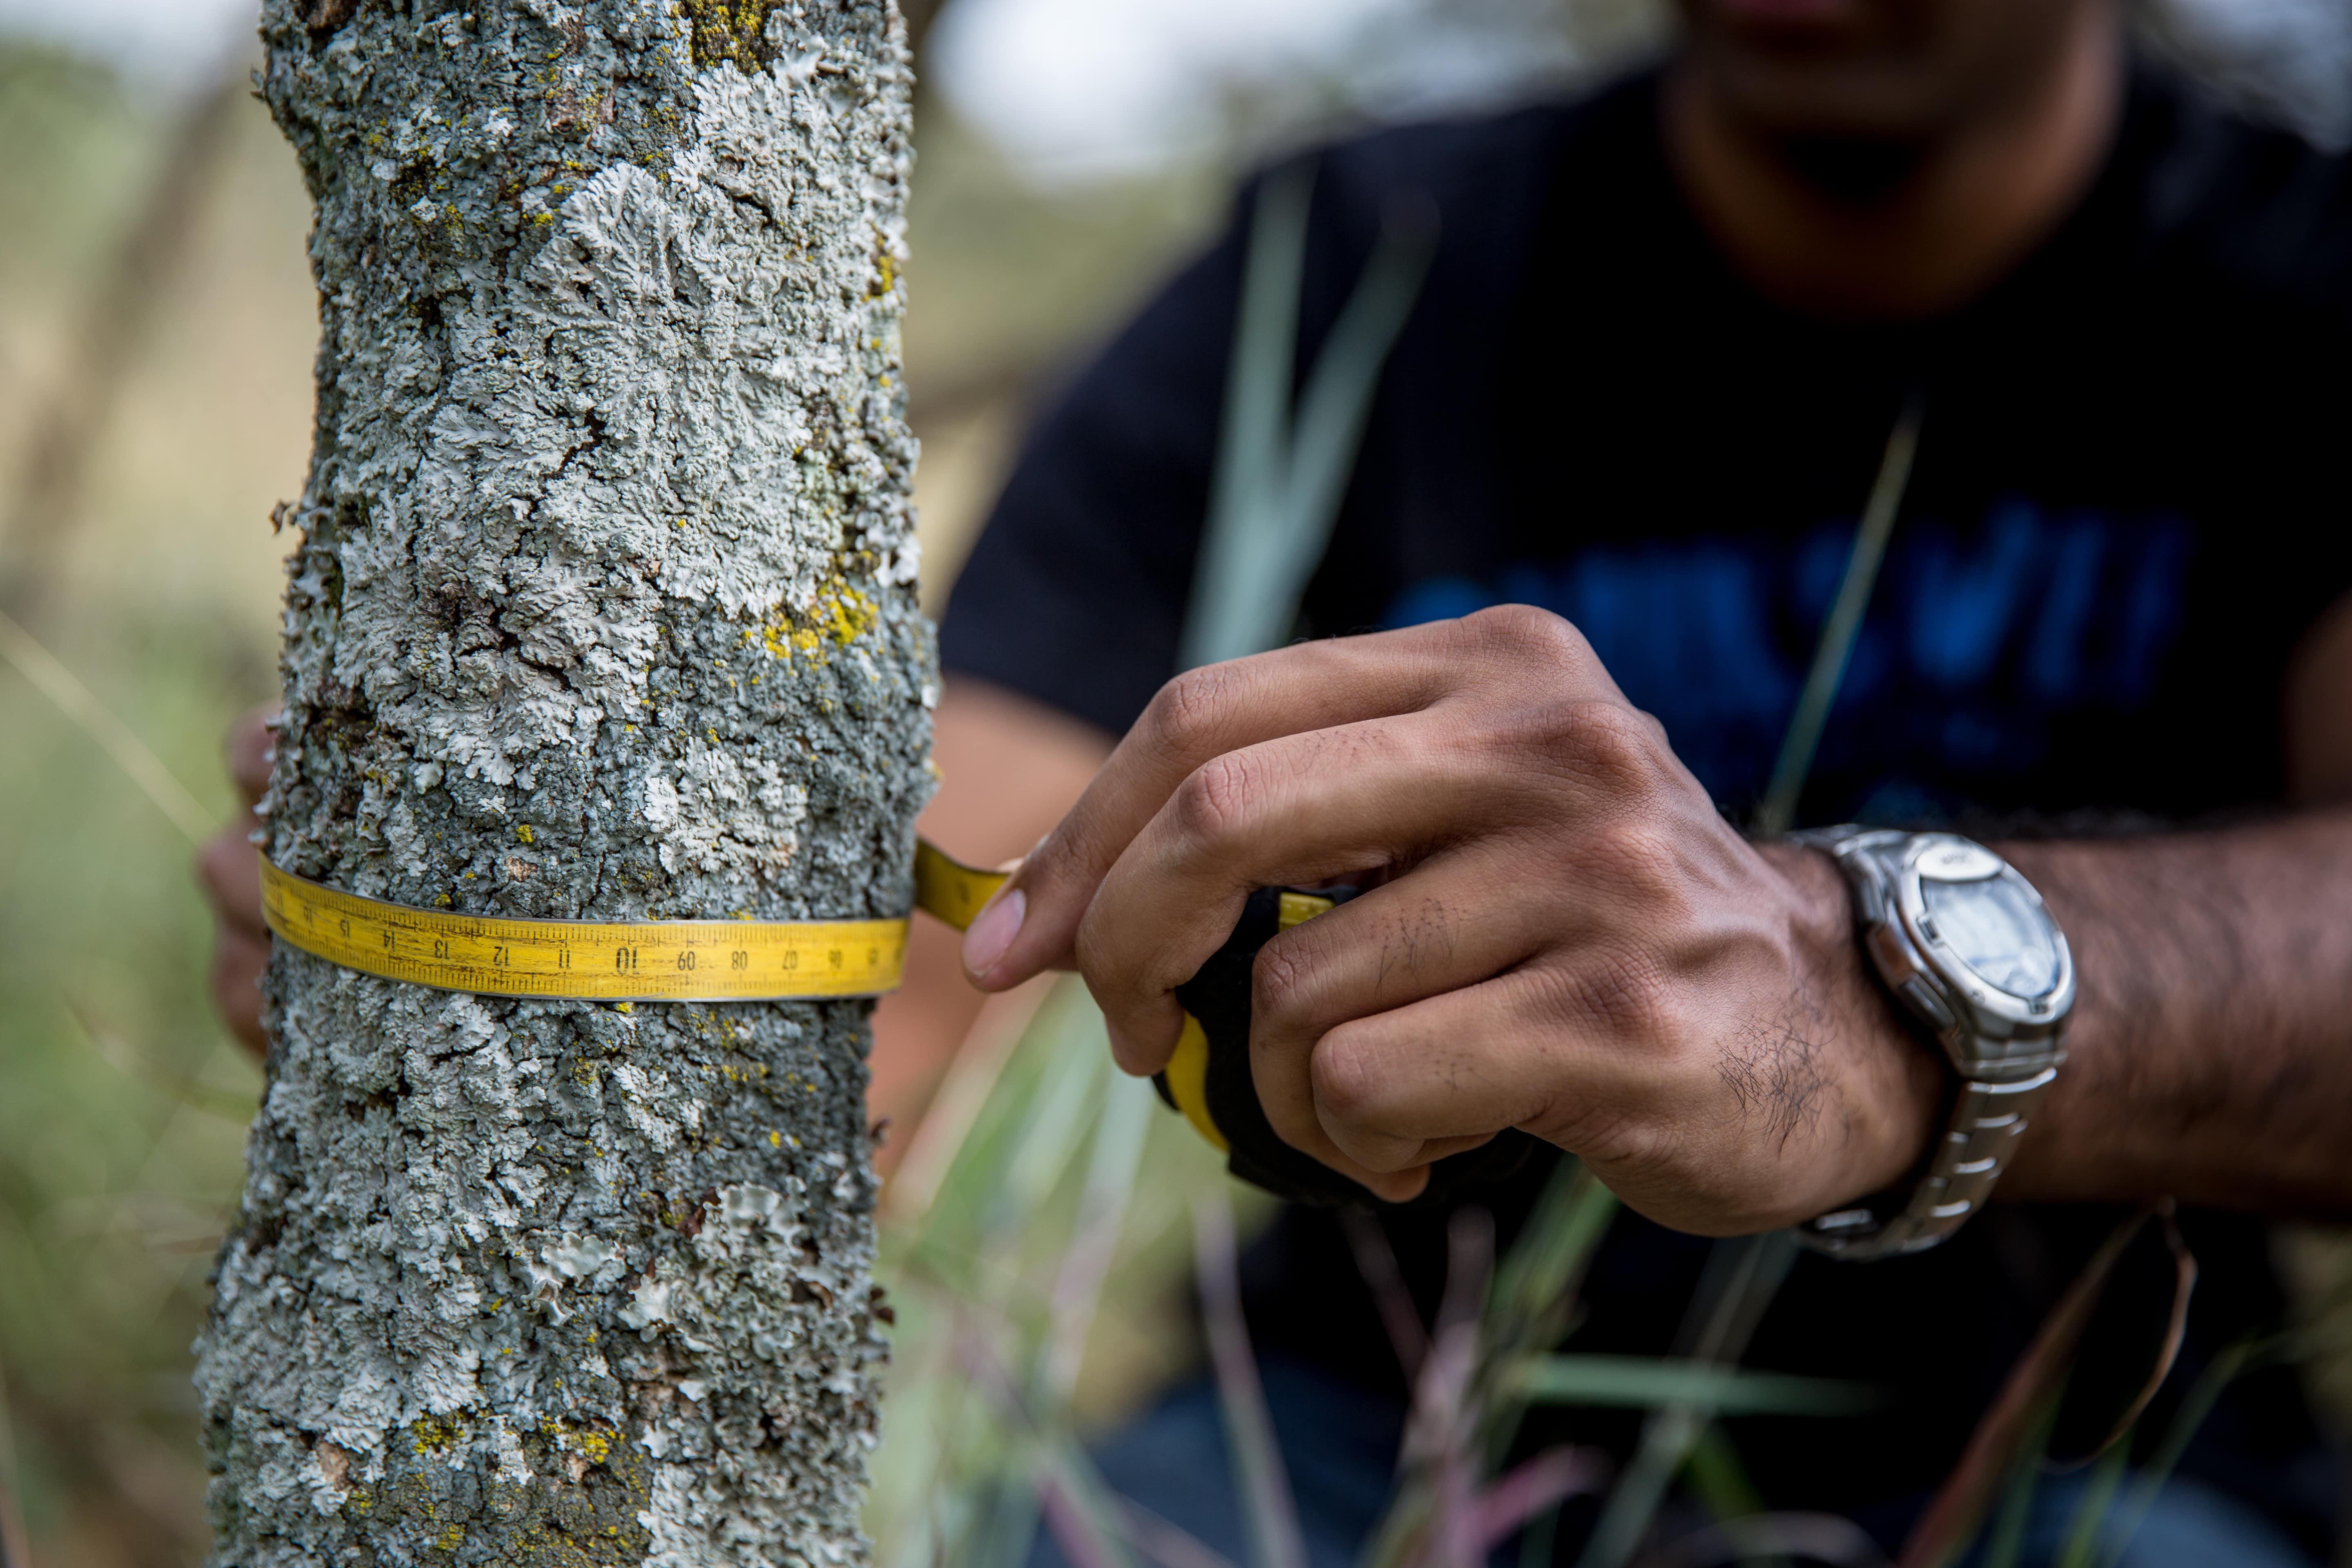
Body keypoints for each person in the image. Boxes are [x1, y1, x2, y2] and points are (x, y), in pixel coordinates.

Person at [203, 0, 2352, 1561]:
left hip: (2116, 1459)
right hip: (1326, 1449)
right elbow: (934, 897)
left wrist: (1871, 988)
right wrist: (536, 957)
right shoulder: (1353, 266)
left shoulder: (2297, 286)